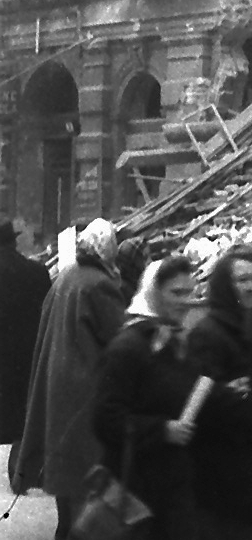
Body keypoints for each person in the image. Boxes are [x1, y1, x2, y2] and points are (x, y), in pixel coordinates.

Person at [93, 255, 252, 540]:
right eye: (176, 293)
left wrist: (229, 393)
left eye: (189, 292)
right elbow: (105, 418)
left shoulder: (172, 343)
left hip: (173, 486)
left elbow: (188, 391)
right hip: (135, 485)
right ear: (152, 292)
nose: (185, 301)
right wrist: (162, 429)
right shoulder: (128, 348)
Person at [14, 218, 126, 538]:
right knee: (86, 484)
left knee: (68, 484)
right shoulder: (99, 285)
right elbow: (119, 340)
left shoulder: (67, 277)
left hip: (59, 389)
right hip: (86, 392)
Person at [187, 247, 252, 540]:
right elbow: (203, 401)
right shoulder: (208, 334)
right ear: (224, 286)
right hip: (225, 478)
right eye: (244, 280)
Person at [0, 217, 52, 491]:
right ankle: (21, 473)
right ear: (15, 240)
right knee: (25, 418)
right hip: (25, 357)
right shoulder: (36, 273)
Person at [116, 237, 149, 306]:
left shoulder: (137, 282)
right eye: (145, 257)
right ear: (135, 262)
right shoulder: (126, 292)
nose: (150, 261)